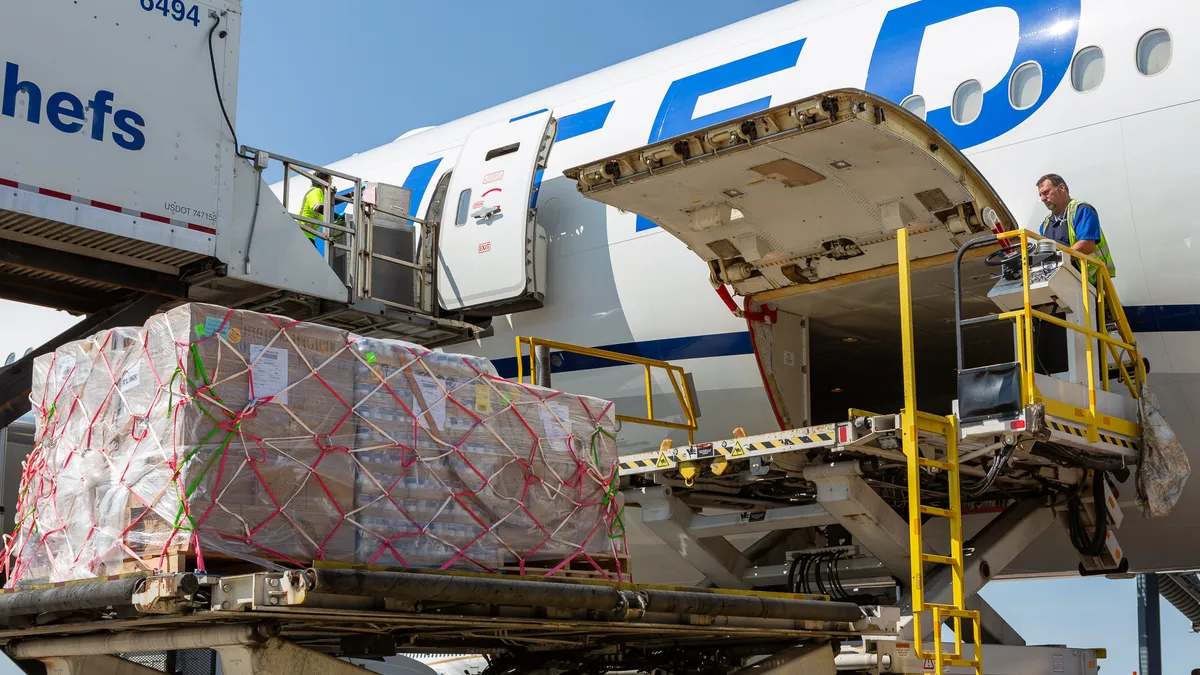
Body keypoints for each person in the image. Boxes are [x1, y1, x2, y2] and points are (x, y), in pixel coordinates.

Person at [1035, 173, 1116, 282]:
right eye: (1040, 195)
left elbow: (1086, 245)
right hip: (1064, 282)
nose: (1043, 198)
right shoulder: (1045, 225)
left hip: (1090, 282)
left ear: (1062, 188)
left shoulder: (1082, 210)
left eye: (1046, 192)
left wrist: (1056, 261)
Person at [298, 171, 332, 247]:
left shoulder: (319, 195)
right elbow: (318, 207)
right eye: (330, 182)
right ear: (324, 182)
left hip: (307, 234)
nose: (330, 186)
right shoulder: (316, 191)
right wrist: (335, 216)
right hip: (303, 233)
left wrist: (349, 195)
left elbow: (330, 204)